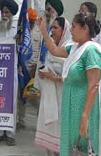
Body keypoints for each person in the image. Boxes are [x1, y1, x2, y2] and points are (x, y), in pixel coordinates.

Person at [37, 13, 101, 155]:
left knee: (83, 147)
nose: (70, 30)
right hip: (70, 109)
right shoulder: (74, 48)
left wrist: (85, 117)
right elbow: (53, 50)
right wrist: (42, 30)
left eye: (73, 26)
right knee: (70, 146)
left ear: (85, 29)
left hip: (82, 109)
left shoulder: (91, 51)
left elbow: (94, 86)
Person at [35, 17, 71, 156]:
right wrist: (44, 74)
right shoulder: (51, 48)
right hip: (51, 97)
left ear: (64, 30)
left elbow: (71, 78)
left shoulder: (69, 49)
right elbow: (48, 65)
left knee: (62, 134)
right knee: (51, 133)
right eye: (52, 27)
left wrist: (53, 77)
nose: (53, 30)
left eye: (56, 28)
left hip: (64, 98)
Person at [0, 0, 18, 146]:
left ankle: (10, 134)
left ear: (12, 14)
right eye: (3, 12)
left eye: (7, 12)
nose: (4, 15)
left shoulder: (17, 29)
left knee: (11, 102)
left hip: (11, 72)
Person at [27, 8, 42, 78]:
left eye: (33, 21)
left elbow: (41, 50)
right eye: (29, 21)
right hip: (22, 66)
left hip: (34, 66)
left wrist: (37, 65)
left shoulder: (40, 31)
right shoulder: (21, 30)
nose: (31, 23)